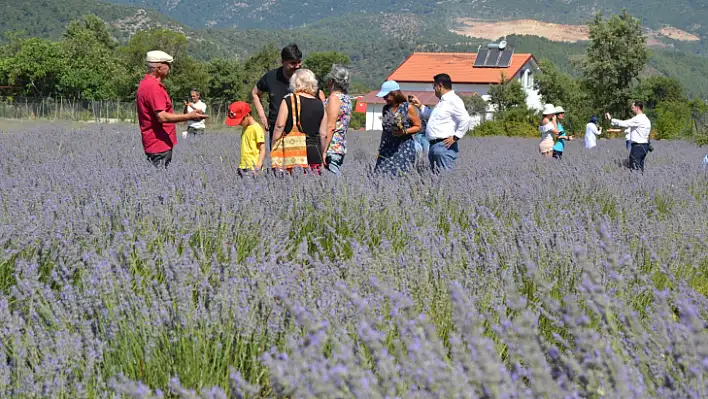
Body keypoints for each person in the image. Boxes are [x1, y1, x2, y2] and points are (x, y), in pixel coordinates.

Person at [136, 50, 208, 168]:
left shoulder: (146, 84)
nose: (169, 68)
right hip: (159, 145)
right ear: (159, 68)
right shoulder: (153, 87)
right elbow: (162, 116)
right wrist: (189, 116)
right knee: (159, 180)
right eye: (168, 65)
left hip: (156, 144)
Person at [252, 44, 325, 146]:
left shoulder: (307, 77)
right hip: (278, 131)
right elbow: (255, 93)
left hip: (304, 133)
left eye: (299, 62)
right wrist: (262, 117)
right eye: (293, 63)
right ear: (283, 62)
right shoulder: (271, 77)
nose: (297, 66)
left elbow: (320, 95)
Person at [409, 74, 471, 171]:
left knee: (445, 180)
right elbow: (433, 117)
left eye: (434, 86)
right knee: (436, 181)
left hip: (444, 146)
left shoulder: (453, 100)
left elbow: (465, 119)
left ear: (440, 86)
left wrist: (455, 137)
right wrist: (420, 106)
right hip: (434, 146)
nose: (434, 89)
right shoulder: (442, 102)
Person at [272, 69, 327, 173]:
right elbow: (323, 134)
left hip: (293, 153)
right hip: (315, 153)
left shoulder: (288, 100)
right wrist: (323, 152)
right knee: (314, 187)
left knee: (292, 186)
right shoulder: (320, 104)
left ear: (295, 83)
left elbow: (279, 126)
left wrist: (274, 145)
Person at [374, 80, 423, 175]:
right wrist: (380, 149)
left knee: (401, 175)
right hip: (387, 147)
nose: (384, 99)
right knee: (379, 174)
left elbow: (418, 126)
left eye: (386, 96)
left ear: (394, 94)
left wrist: (404, 132)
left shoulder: (407, 107)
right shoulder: (386, 109)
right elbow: (385, 131)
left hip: (404, 148)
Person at [323, 64, 352, 175]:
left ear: (331, 80)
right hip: (340, 147)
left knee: (333, 185)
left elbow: (330, 126)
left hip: (331, 148)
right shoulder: (346, 98)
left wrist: (324, 151)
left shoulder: (334, 98)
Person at [606, 101, 652, 171]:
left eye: (632, 107)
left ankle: (635, 181)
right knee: (640, 169)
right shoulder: (646, 119)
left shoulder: (638, 119)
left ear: (637, 108)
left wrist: (611, 119)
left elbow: (624, 123)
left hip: (638, 147)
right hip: (645, 146)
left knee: (634, 169)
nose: (631, 109)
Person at [225, 101, 266, 176]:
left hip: (253, 167)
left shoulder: (256, 129)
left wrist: (258, 166)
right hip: (243, 166)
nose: (239, 124)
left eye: (240, 121)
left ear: (247, 115)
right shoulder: (245, 127)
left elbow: (262, 149)